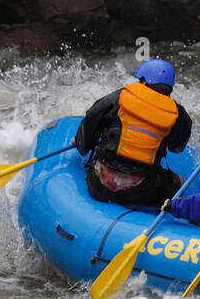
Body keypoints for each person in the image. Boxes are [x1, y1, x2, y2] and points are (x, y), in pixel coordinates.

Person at [74, 58, 192, 207]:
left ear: (143, 82)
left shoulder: (119, 97)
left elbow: (90, 122)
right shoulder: (178, 113)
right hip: (143, 191)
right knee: (180, 182)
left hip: (100, 185)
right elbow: (177, 148)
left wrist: (81, 143)